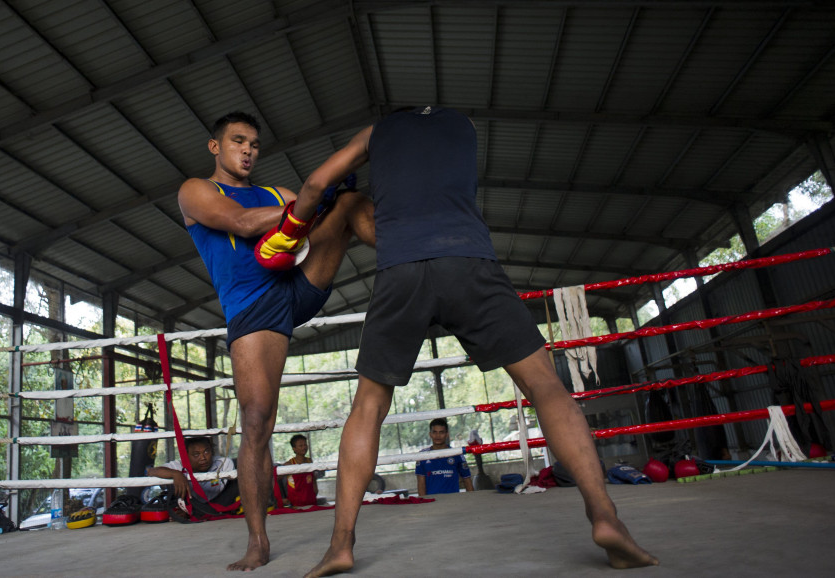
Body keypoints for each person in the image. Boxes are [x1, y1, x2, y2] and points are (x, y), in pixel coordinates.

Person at [255, 106, 658, 575]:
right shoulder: (464, 125)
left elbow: (313, 186)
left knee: (368, 406)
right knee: (546, 386)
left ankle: (340, 545)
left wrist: (289, 234)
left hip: (400, 269)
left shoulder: (376, 132)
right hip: (469, 260)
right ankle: (606, 518)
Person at [177, 112, 374, 570]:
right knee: (257, 421)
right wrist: (310, 204)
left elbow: (313, 210)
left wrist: (328, 200)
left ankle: (406, 249)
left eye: (254, 145)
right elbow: (245, 223)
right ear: (215, 147)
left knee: (348, 205)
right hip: (253, 306)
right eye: (238, 141)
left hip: (297, 283)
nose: (247, 150)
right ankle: (258, 541)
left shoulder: (275, 192)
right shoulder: (196, 190)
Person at [147, 436, 238, 511]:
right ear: (186, 456)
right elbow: (151, 471)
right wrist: (176, 474)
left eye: (206, 451)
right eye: (196, 454)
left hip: (219, 504)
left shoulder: (224, 463)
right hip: (193, 506)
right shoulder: (179, 465)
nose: (203, 458)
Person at [415, 418, 473, 495]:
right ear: (430, 434)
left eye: (441, 432)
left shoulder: (456, 454)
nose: (438, 436)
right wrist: (423, 504)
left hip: (453, 502)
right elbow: (421, 484)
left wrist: (473, 501)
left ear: (447, 434)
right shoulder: (422, 456)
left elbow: (467, 480)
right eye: (434, 432)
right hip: (432, 502)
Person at [281, 434, 319, 507]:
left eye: (305, 445)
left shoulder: (309, 461)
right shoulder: (288, 464)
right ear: (294, 448)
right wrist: (281, 499)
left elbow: (313, 479)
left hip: (311, 501)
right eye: (301, 446)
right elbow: (275, 480)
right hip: (296, 504)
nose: (304, 447)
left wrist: (315, 490)